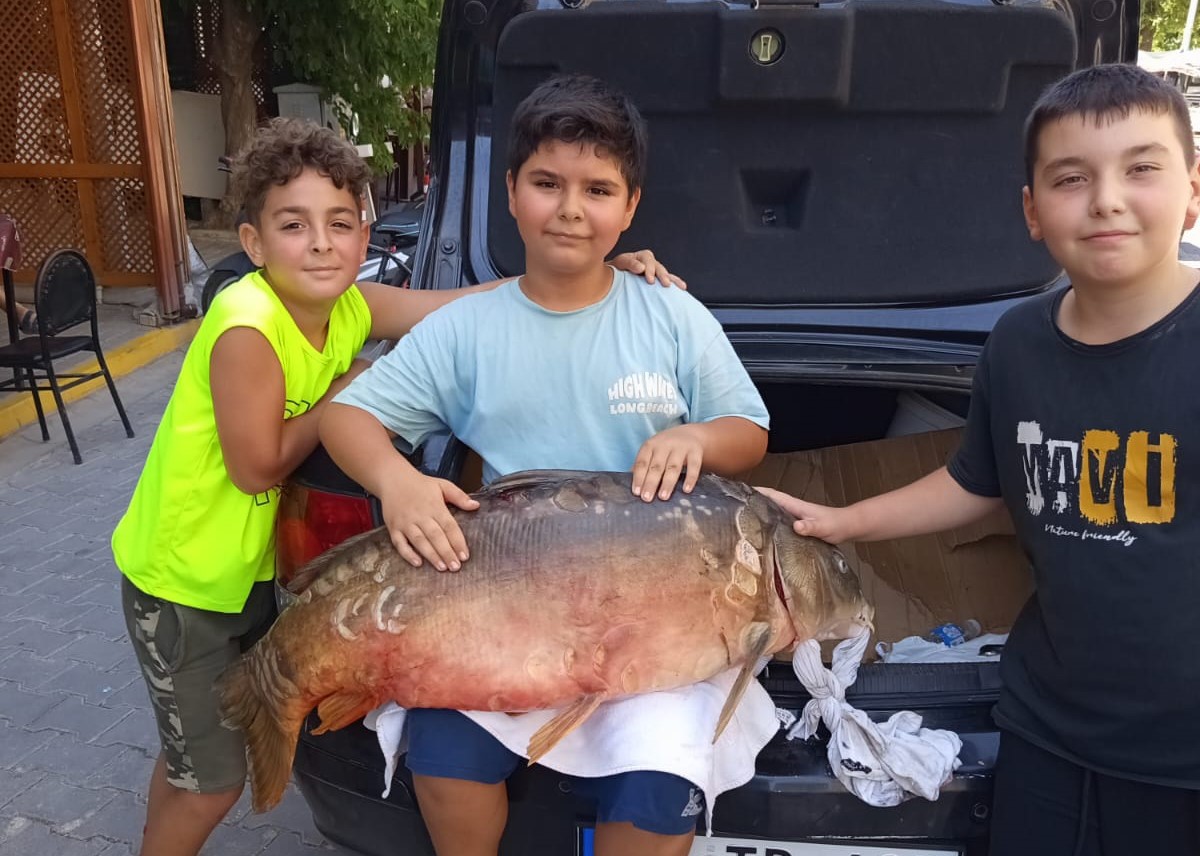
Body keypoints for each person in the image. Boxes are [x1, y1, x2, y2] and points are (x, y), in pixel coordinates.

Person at [110, 116, 678, 856]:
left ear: (364, 234)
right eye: (294, 225)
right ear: (253, 244)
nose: (321, 243)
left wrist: (585, 270)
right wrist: (345, 392)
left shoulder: (349, 304)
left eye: (340, 224)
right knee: (210, 779)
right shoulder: (249, 323)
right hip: (183, 582)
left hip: (238, 573)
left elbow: (461, 305)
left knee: (193, 751)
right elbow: (256, 465)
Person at [320, 74, 772, 856]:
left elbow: (749, 428)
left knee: (659, 789)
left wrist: (699, 439)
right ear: (510, 192)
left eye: (598, 189)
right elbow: (347, 417)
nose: (570, 208)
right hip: (507, 609)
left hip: (655, 619)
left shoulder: (670, 315)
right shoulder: (467, 329)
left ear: (630, 208)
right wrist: (396, 481)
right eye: (546, 183)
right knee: (446, 759)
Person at [759, 64, 1200, 856]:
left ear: (1194, 189)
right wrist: (843, 520)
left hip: (1184, 755)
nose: (1106, 197)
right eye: (1072, 177)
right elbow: (977, 479)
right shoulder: (1020, 342)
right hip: (1046, 725)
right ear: (1032, 211)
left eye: (1141, 168)